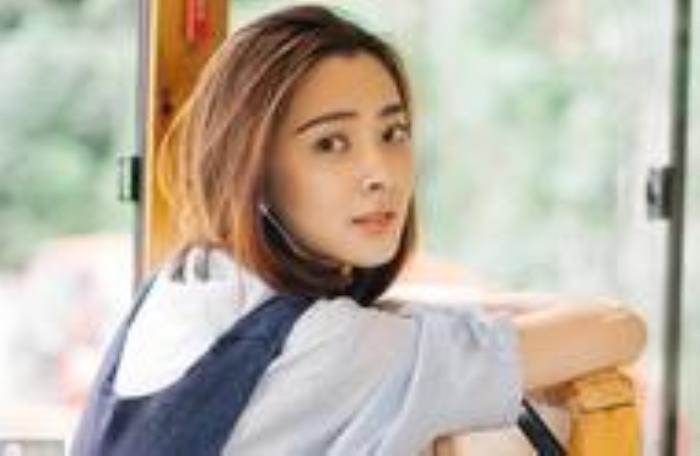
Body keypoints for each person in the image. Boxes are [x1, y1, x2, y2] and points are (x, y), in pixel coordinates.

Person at [71, 4, 647, 455]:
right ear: (254, 168)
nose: (381, 174)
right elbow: (618, 328)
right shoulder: (335, 348)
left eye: (393, 133)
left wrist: (424, 315)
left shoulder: (179, 286)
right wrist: (448, 319)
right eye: (330, 143)